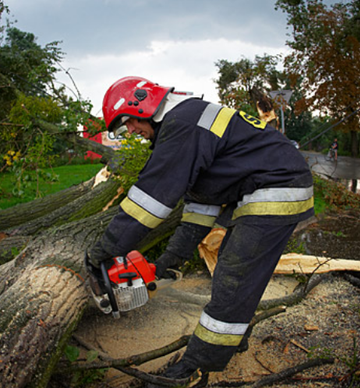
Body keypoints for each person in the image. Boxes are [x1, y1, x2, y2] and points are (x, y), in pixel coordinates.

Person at [87, 76, 314, 387]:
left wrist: (104, 250)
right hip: (265, 186)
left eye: (127, 123)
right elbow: (199, 207)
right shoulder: (185, 124)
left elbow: (151, 200)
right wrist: (170, 260)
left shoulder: (183, 123)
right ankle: (232, 341)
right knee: (235, 275)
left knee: (234, 274)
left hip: (278, 187)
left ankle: (193, 370)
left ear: (143, 104)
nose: (131, 132)